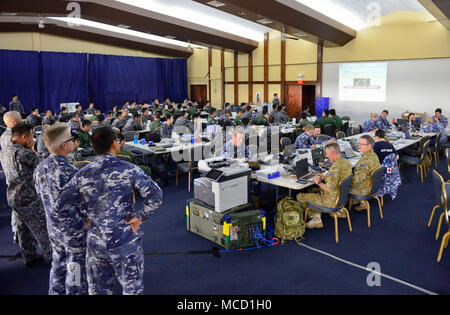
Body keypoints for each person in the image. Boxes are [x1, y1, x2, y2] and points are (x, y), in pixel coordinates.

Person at [54, 126, 163, 295]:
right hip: (125, 240)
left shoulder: (82, 174)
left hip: (96, 242)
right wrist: (140, 217)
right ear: (114, 144)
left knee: (98, 290)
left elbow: (60, 205)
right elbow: (156, 197)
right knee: (132, 289)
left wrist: (85, 218)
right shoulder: (129, 169)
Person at [33, 124, 88, 295]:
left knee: (58, 262)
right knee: (75, 265)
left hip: (53, 226)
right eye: (71, 139)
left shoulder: (40, 168)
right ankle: (74, 292)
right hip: (73, 228)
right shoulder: (71, 171)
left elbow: (40, 195)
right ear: (64, 146)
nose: (74, 141)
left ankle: (55, 291)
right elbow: (83, 203)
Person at [4, 123, 52, 266]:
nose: (33, 139)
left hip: (13, 195)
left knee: (23, 228)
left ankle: (29, 256)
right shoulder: (23, 153)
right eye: (32, 136)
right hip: (28, 197)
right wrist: (32, 150)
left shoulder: (5, 150)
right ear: (25, 137)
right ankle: (51, 258)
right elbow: (43, 164)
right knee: (42, 228)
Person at [297, 142, 352, 229]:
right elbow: (338, 177)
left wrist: (318, 182)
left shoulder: (335, 168)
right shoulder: (346, 162)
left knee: (300, 196)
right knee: (312, 191)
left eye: (327, 153)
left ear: (333, 153)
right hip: (341, 197)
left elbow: (328, 188)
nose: (326, 156)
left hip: (330, 201)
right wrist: (325, 177)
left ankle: (315, 219)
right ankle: (318, 218)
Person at [0, 111, 25, 248]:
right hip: (20, 178)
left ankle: (16, 231)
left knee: (15, 209)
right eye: (21, 119)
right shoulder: (15, 137)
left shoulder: (3, 136)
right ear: (15, 122)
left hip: (10, 177)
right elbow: (24, 156)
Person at [349, 135, 381, 211]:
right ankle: (360, 202)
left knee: (340, 185)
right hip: (373, 186)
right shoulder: (373, 155)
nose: (359, 146)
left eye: (362, 144)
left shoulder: (365, 161)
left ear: (369, 145)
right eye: (358, 144)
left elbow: (357, 180)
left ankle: (339, 210)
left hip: (364, 189)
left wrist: (345, 180)